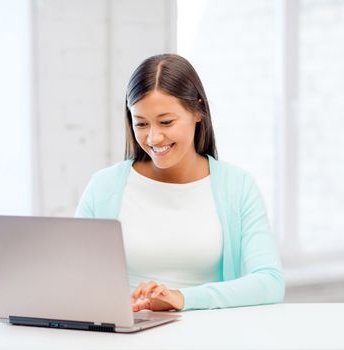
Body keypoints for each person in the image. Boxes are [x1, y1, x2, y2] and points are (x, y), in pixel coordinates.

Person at [75, 53, 285, 312]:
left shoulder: (237, 187)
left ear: (197, 111)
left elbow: (270, 282)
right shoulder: (103, 187)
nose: (154, 137)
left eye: (166, 122)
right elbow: (77, 279)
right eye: (141, 123)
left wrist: (181, 298)